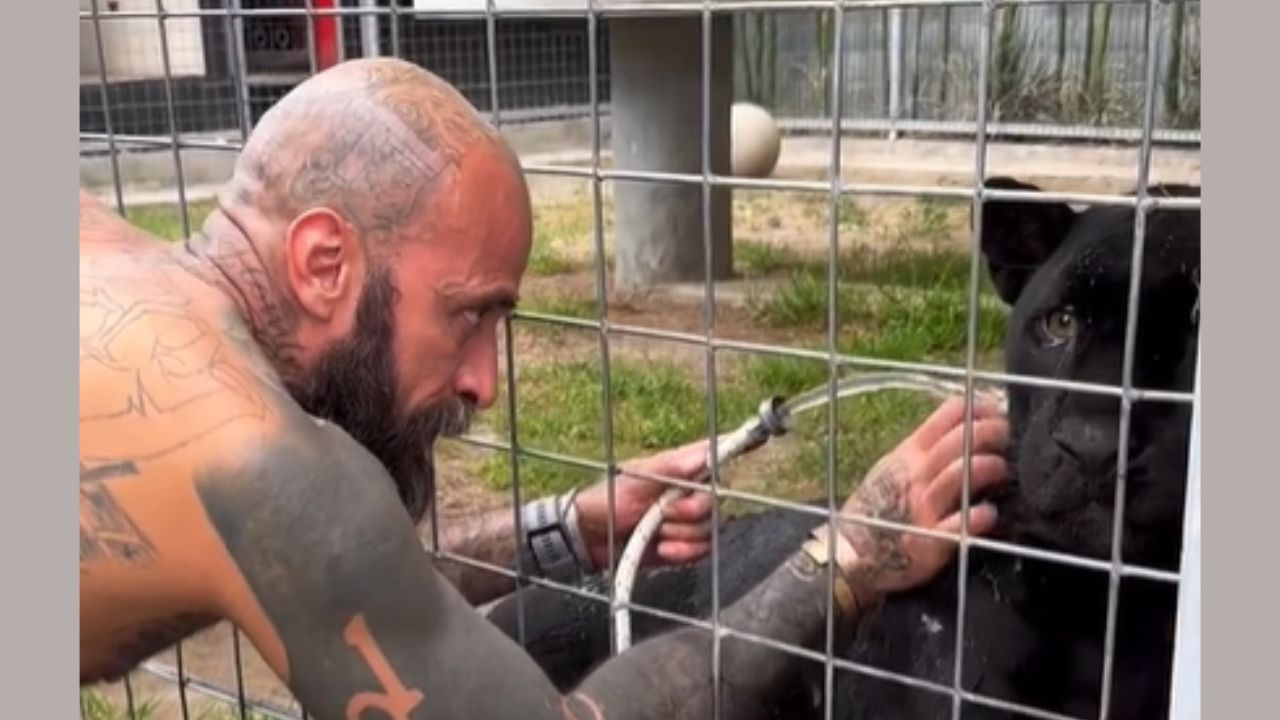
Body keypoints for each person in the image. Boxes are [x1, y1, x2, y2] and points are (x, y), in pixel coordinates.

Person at [79, 57, 1010, 720]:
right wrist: (843, 560)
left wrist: (566, 530)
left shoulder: (89, 246)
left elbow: (326, 582)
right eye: (468, 315)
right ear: (324, 261)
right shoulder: (260, 463)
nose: (484, 381)